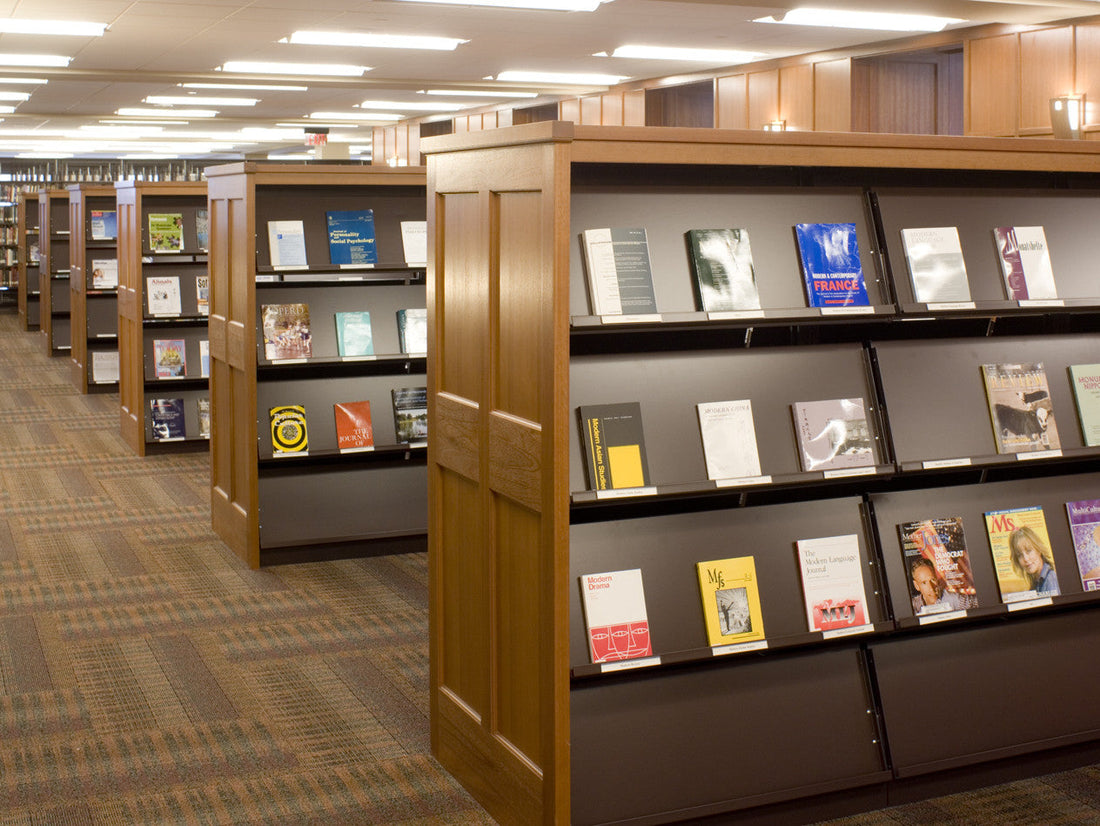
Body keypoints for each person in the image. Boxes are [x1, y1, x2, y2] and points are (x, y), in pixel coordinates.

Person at [1008, 526, 1059, 595]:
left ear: (1038, 550)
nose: (1025, 559)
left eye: (1029, 551)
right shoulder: (1036, 581)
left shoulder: (1050, 579)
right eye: (1019, 555)